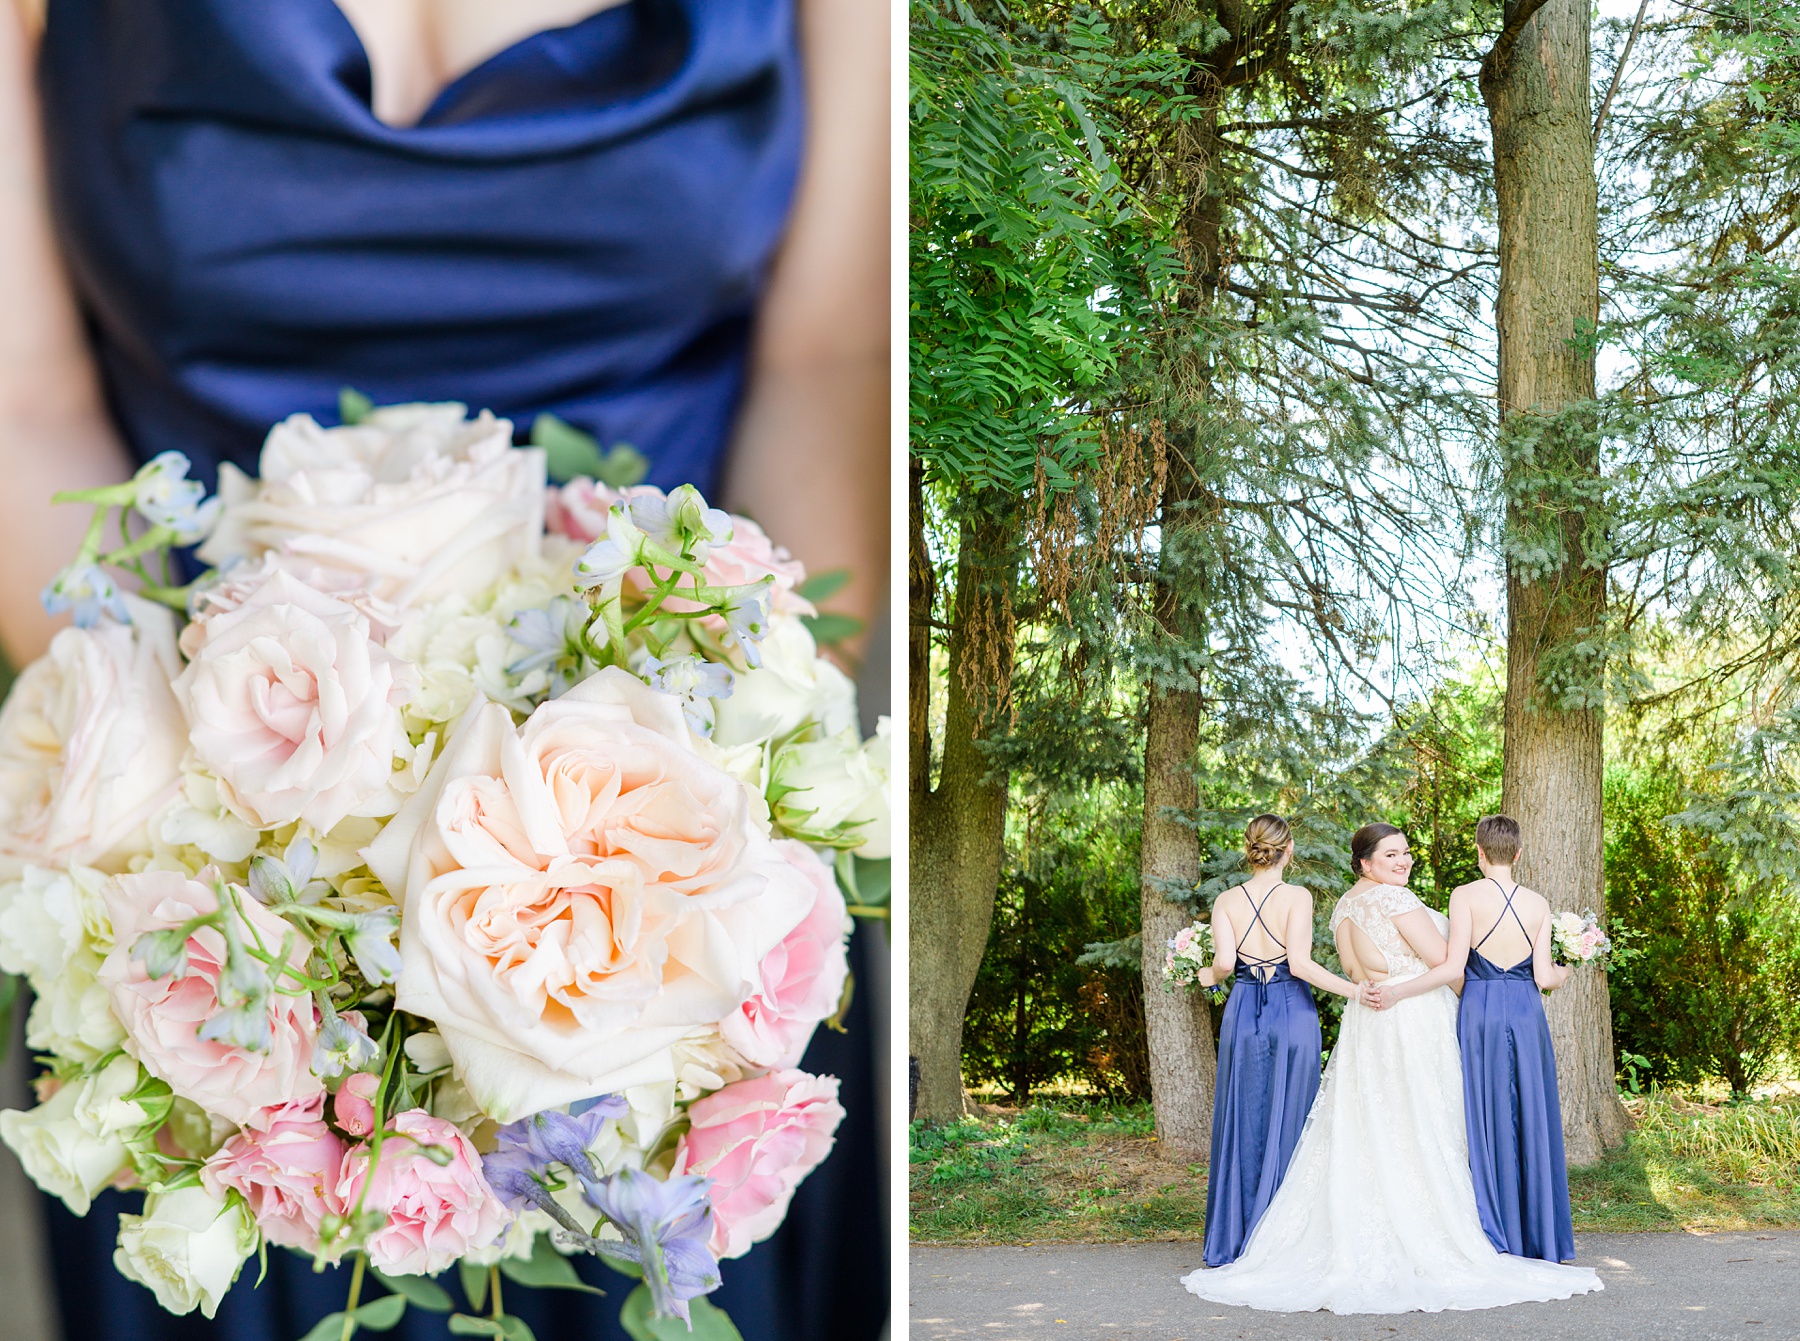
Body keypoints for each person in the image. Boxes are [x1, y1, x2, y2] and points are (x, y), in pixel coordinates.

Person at [0, 2, 888, 1339]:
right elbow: (26, 406)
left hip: (668, 897)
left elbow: (832, 364)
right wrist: (250, 870)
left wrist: (694, 823)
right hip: (222, 933)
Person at [1181, 823, 1601, 1314]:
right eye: (1392, 855)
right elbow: (1448, 964)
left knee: (1369, 1128)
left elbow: (1353, 969)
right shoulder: (1397, 903)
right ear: (1365, 863)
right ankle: (1429, 1232)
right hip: (1410, 1020)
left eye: (1406, 853)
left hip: (1367, 1025)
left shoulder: (1343, 906)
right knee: (1422, 1124)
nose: (1404, 862)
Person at [1368, 814, 1577, 1264]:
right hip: (1525, 1009)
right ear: (1517, 853)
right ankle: (1538, 1233)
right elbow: (1543, 976)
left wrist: (1397, 991)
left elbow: (1452, 968)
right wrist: (1567, 970)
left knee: (1482, 1111)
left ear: (1480, 852)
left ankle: (1493, 1230)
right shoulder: (1539, 904)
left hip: (1480, 1007)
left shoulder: (1463, 895)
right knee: (1530, 1109)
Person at [1196, 814, 1367, 1267]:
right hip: (1291, 1010)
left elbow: (1224, 965)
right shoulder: (1297, 896)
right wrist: (1355, 991)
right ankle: (1287, 1240)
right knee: (1294, 1114)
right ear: (1287, 850)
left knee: (1243, 1114)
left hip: (1243, 1011)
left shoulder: (1226, 900)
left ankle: (1237, 1236)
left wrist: (1201, 976)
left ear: (1250, 850)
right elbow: (1302, 965)